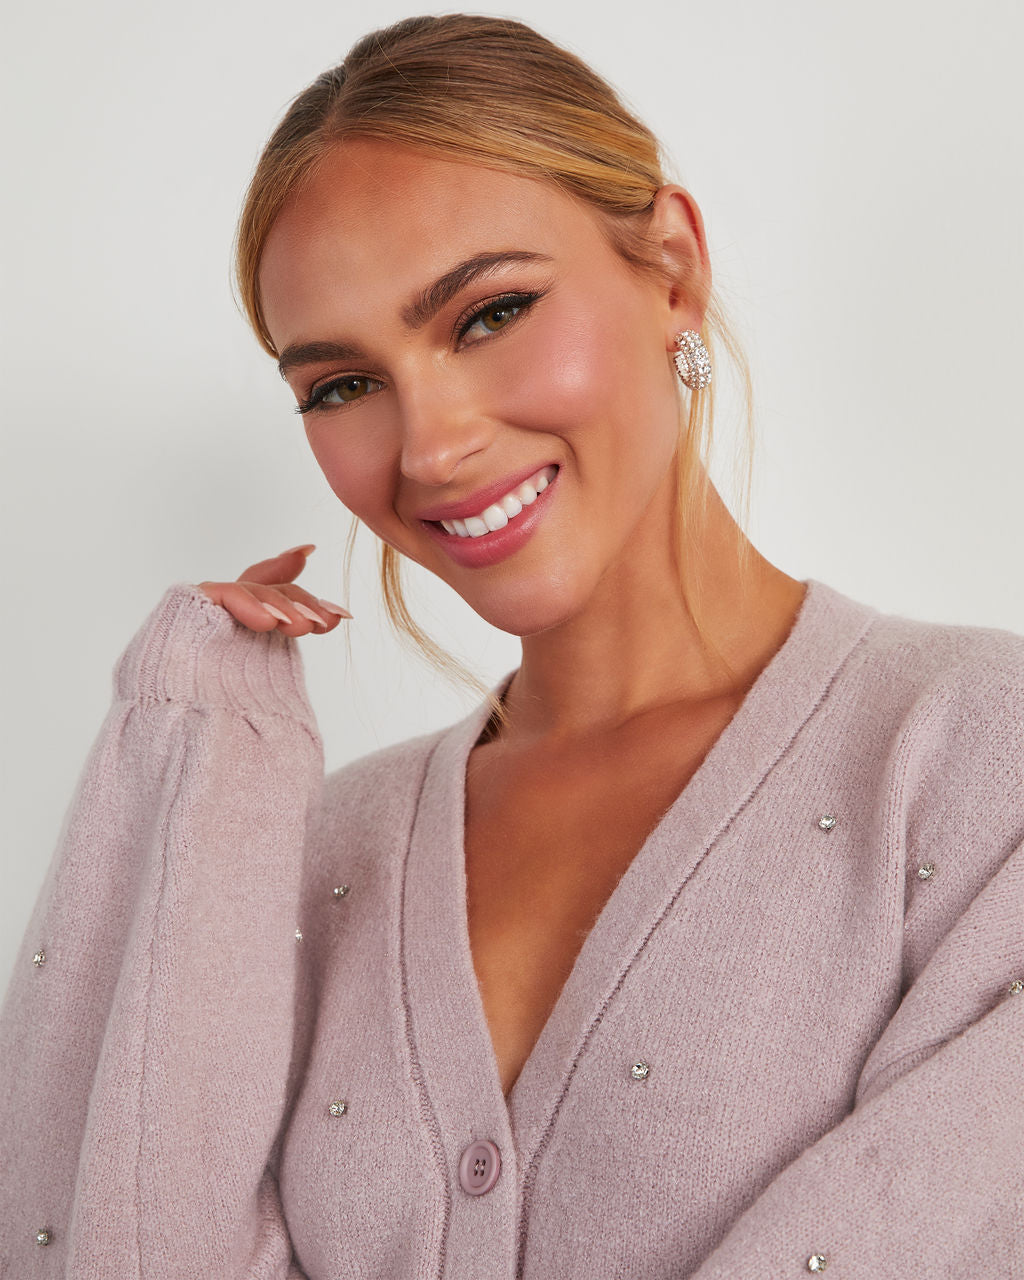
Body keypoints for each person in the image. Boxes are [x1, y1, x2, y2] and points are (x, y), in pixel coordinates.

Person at [1, 13, 1022, 1278]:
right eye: (341, 385)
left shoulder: (974, 754)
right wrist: (202, 752)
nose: (430, 446)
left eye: (489, 313)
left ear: (673, 269)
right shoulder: (323, 850)